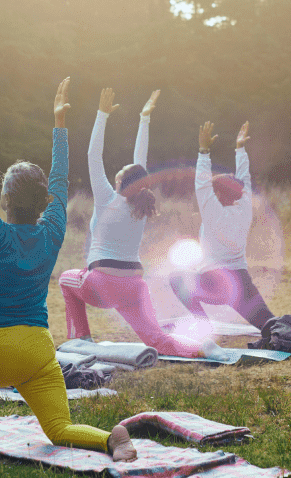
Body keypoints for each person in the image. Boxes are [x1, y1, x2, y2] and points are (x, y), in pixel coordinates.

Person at [0, 79, 136, 461]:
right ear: (44, 200)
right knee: (59, 430)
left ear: (6, 200)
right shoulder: (52, 233)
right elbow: (61, 183)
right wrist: (59, 125)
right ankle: (110, 439)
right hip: (36, 353)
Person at [59, 88, 217, 359]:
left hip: (101, 284)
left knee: (65, 279)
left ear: (119, 182)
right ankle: (201, 349)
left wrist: (102, 115)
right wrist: (144, 120)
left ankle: (81, 339)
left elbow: (93, 155)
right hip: (134, 285)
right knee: (157, 339)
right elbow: (140, 163)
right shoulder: (141, 207)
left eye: (119, 174)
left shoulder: (107, 199)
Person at [170, 121, 275, 334]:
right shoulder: (245, 207)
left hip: (214, 284)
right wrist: (240, 149)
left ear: (217, 194)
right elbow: (244, 178)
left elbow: (201, 184)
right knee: (272, 326)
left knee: (176, 279)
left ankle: (203, 324)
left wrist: (204, 151)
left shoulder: (213, 213)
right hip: (241, 284)